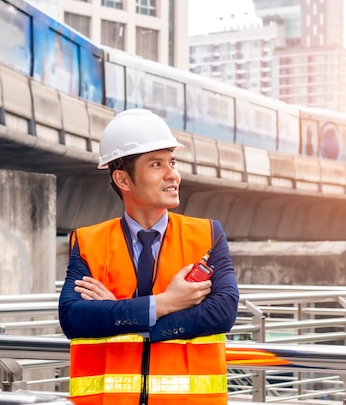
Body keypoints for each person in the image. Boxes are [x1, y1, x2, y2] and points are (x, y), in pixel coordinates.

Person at [58, 108, 239, 405]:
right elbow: (74, 318)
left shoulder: (207, 235)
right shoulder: (88, 242)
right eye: (157, 164)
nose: (173, 175)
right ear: (123, 179)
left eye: (172, 162)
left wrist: (125, 315)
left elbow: (222, 312)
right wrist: (166, 303)